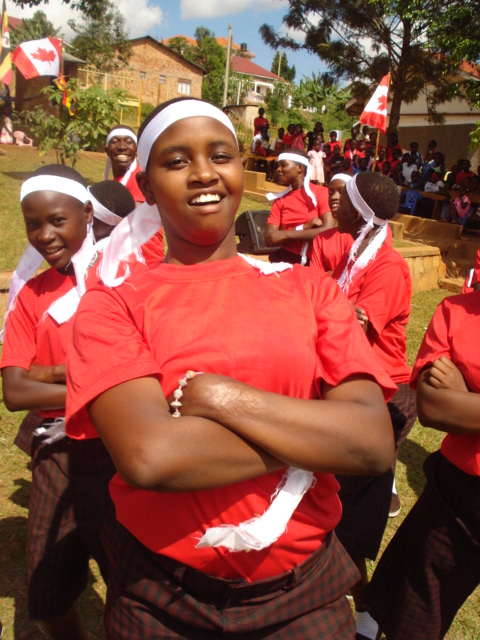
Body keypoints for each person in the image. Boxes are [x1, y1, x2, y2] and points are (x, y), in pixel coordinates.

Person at [65, 97, 396, 640]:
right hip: (159, 596)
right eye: (176, 161)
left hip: (303, 597)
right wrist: (318, 434)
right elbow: (151, 457)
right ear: (146, 188)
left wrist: (224, 398)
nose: (203, 174)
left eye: (221, 155)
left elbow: (372, 443)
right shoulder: (112, 304)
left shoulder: (308, 290)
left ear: (240, 169)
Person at [0, 165, 117, 640]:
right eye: (33, 224)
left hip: (120, 451)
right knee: (46, 598)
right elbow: (15, 393)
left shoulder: (120, 279)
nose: (44, 235)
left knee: (137, 584)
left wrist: (50, 372)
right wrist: (97, 382)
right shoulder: (31, 294)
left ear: (87, 214)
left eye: (56, 220)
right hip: (59, 454)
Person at [364, 290, 480, 640]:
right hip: (459, 498)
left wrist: (467, 399)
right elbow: (432, 408)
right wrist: (455, 402)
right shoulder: (456, 311)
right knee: (414, 613)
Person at [331, 172, 415, 640]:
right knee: (334, 509)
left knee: (342, 516)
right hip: (351, 390)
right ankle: (364, 606)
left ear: (362, 210)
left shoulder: (386, 267)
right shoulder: (357, 255)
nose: (333, 202)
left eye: (343, 198)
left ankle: (367, 611)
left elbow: (355, 325)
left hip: (378, 396)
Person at [265, 149, 334, 265]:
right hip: (285, 260)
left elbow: (327, 231)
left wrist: (286, 234)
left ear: (300, 168)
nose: (278, 169)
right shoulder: (279, 201)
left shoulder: (321, 193)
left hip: (313, 262)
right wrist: (304, 227)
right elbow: (270, 239)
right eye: (278, 166)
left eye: (283, 165)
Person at [310, 173, 353, 273]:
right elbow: (315, 278)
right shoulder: (321, 239)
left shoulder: (370, 234)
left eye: (341, 192)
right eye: (331, 192)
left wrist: (331, 274)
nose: (333, 197)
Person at [104, 125, 145, 203]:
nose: (122, 147)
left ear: (136, 150)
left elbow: (138, 213)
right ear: (107, 150)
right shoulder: (119, 178)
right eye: (115, 141)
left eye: (129, 142)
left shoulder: (138, 179)